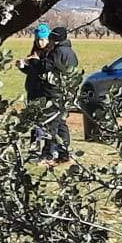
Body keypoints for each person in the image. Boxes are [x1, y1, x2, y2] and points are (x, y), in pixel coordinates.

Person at [22, 26, 79, 164]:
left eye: (46, 39)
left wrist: (34, 61)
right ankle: (62, 152)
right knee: (59, 124)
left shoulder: (57, 52)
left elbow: (44, 68)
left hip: (51, 93)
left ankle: (47, 154)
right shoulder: (69, 51)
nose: (42, 42)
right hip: (61, 92)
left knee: (49, 124)